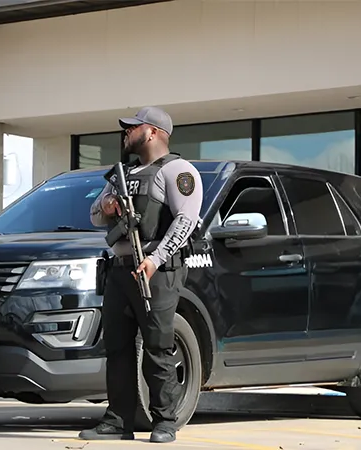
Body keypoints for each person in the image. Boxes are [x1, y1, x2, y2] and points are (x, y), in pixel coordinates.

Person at [80, 106, 204, 444]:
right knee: (117, 348)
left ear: (151, 132)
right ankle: (117, 420)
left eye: (132, 128)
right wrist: (106, 208)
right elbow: (94, 216)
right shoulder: (123, 174)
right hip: (120, 271)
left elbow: (185, 221)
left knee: (158, 347)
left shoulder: (178, 171)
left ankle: (165, 421)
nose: (126, 133)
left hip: (158, 272)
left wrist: (155, 258)